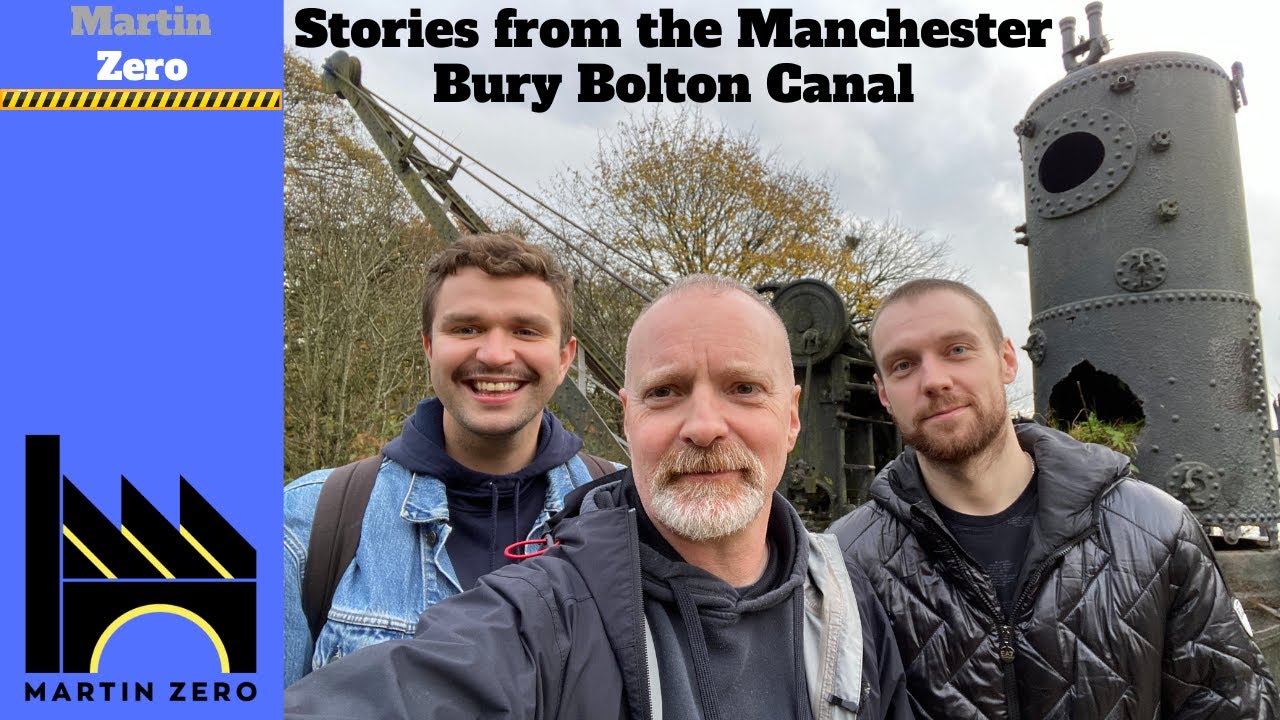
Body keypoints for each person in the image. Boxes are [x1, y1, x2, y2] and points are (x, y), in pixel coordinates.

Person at [285, 275, 913, 719]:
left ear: (793, 416)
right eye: (665, 392)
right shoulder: (542, 613)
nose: (703, 426)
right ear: (628, 418)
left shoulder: (851, 605)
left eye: (744, 388)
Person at [831, 278, 1278, 717]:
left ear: (1007, 360)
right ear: (884, 393)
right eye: (903, 365)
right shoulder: (845, 562)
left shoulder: (1158, 531)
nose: (934, 380)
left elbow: (1231, 704)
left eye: (957, 350)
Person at [283, 233, 619, 686]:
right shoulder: (304, 523)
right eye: (466, 329)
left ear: (564, 358)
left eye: (525, 330)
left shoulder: (629, 513)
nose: (495, 355)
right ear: (429, 348)